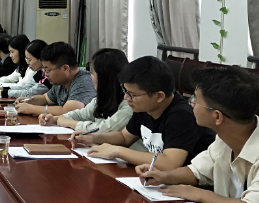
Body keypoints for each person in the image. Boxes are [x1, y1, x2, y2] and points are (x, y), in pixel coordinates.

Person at [137, 67, 259, 203]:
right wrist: (163, 176)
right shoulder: (225, 138)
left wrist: (199, 194)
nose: (192, 104)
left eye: (195, 100)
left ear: (217, 116)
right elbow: (198, 172)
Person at [76, 56, 215, 170]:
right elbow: (124, 137)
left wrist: (118, 151)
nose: (126, 98)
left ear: (159, 96)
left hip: (189, 187)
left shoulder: (182, 116)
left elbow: (170, 163)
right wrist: (93, 138)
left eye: (132, 94)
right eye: (126, 91)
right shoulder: (145, 107)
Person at [41, 48, 136, 139]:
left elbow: (106, 129)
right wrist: (55, 119)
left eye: (93, 73)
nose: (91, 77)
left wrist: (70, 123)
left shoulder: (130, 102)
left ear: (104, 78)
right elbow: (81, 115)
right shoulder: (102, 98)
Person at [15, 41, 96, 117]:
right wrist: (28, 100)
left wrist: (30, 109)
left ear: (65, 68)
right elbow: (46, 99)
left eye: (48, 70)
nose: (45, 74)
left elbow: (68, 111)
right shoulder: (61, 81)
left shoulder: (84, 81)